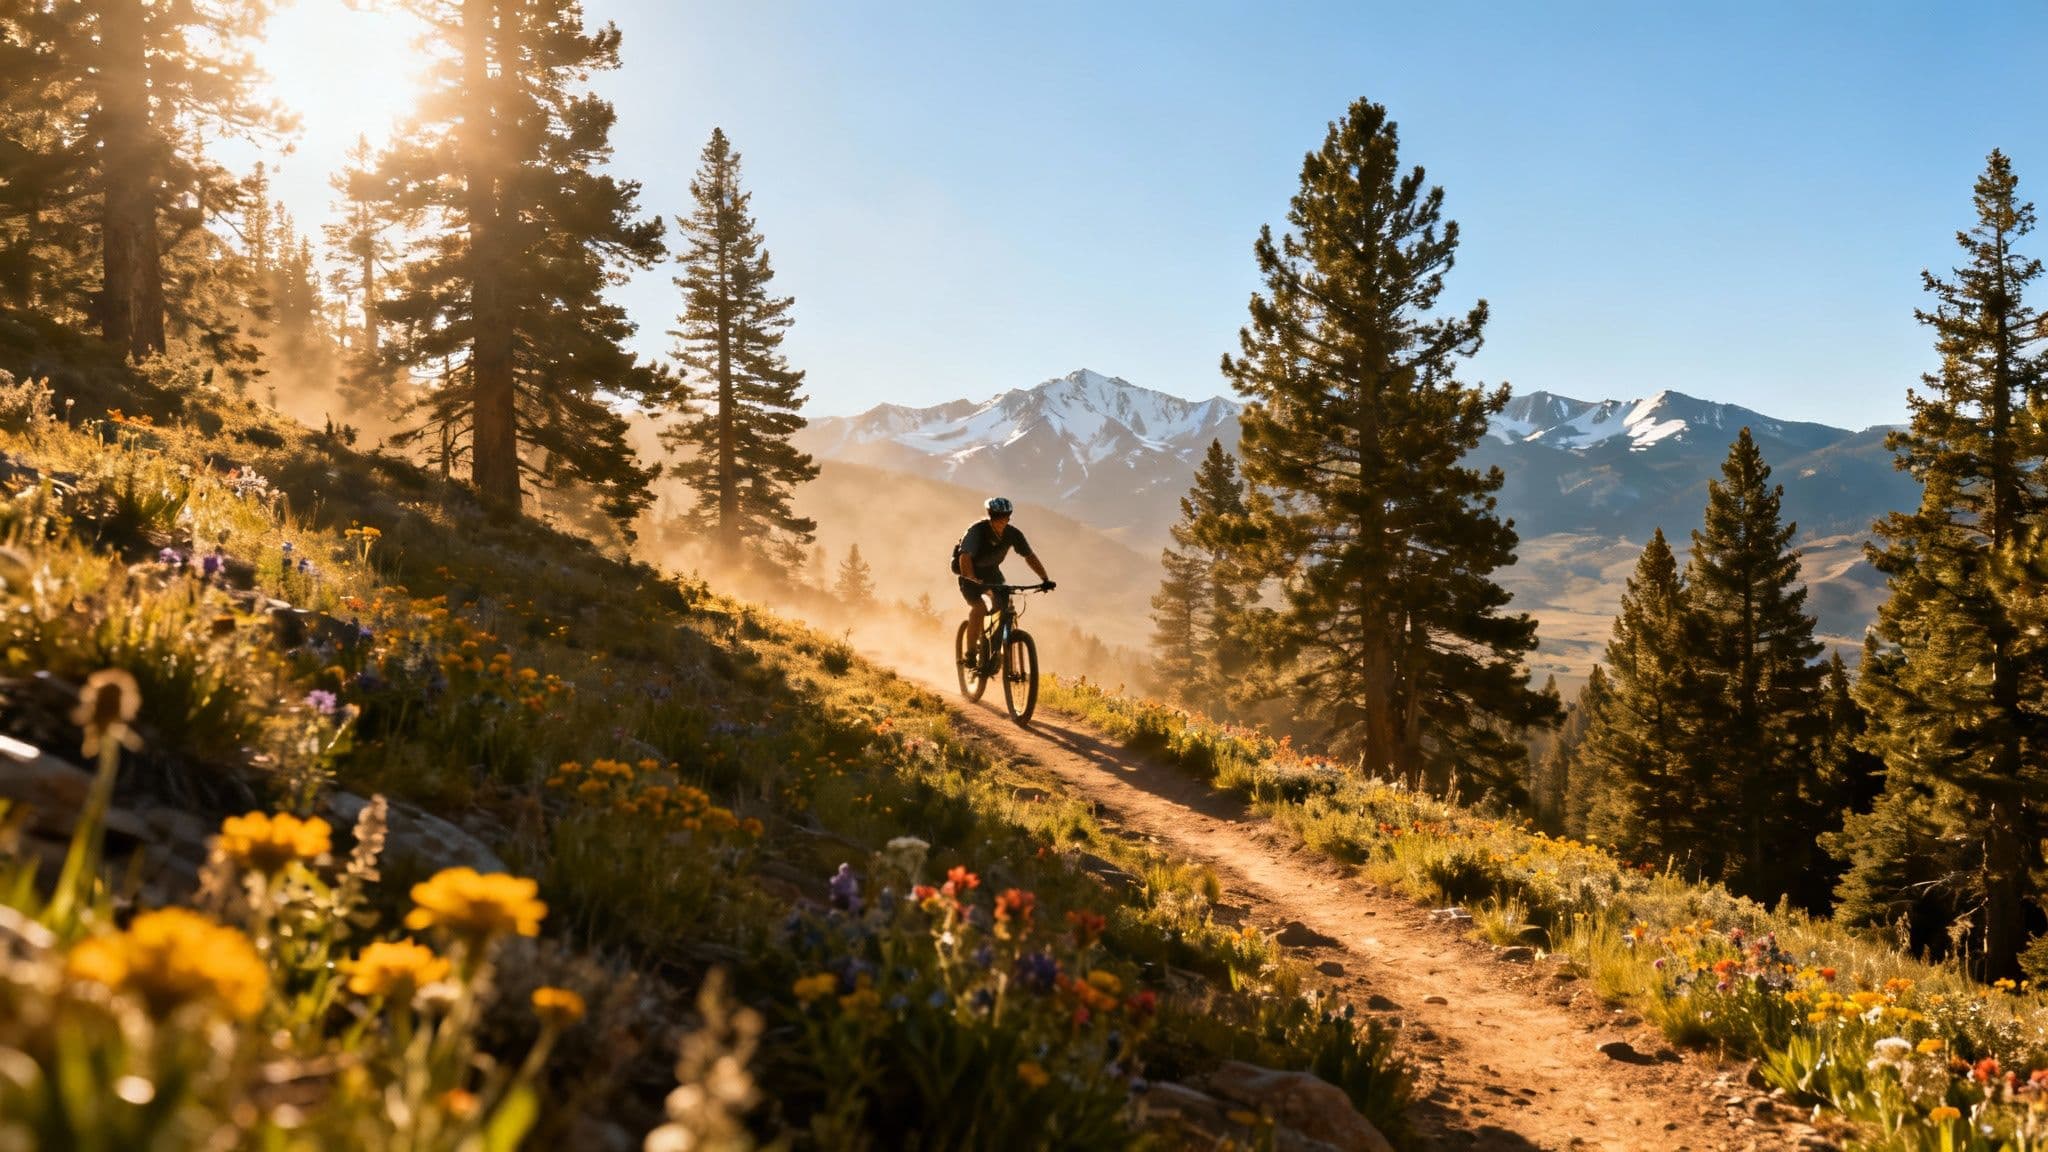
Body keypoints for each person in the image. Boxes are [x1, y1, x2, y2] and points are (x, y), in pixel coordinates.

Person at [956, 496, 1054, 668]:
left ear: (1009, 517)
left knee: (1005, 605)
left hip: (992, 574)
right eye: (997, 517)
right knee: (979, 607)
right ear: (990, 515)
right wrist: (971, 578)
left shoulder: (1013, 534)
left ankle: (995, 650)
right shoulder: (977, 531)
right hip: (969, 576)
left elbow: (1029, 556)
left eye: (1006, 517)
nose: (1001, 521)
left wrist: (1045, 579)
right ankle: (971, 654)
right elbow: (964, 557)